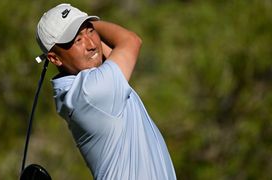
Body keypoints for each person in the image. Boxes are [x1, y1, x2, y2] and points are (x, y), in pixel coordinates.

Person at [36, 3, 176, 180]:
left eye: (90, 32)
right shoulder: (91, 92)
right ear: (54, 58)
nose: (91, 44)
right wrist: (91, 24)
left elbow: (109, 54)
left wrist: (80, 26)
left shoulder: (75, 88)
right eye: (77, 40)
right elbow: (131, 41)